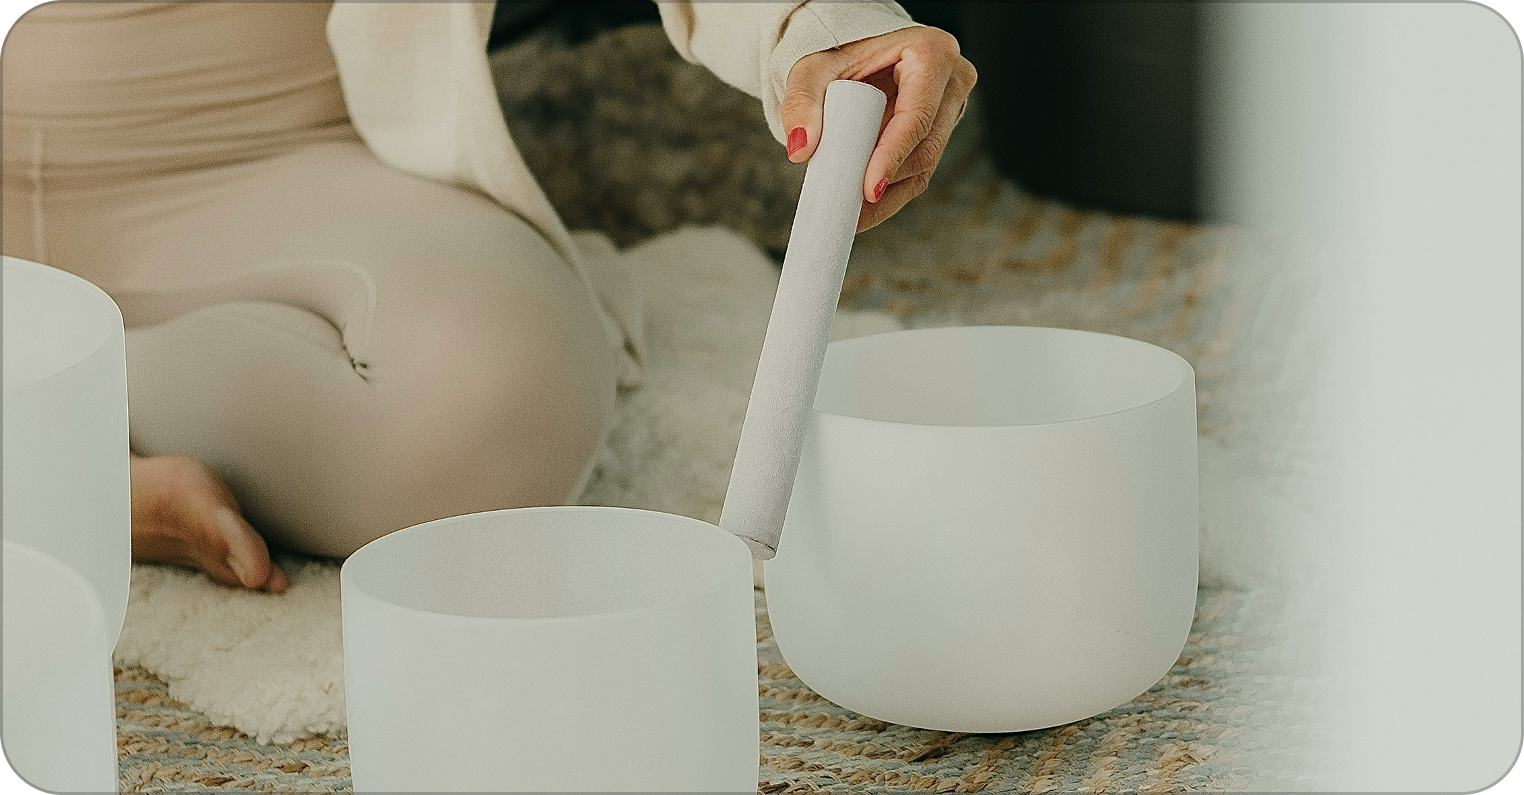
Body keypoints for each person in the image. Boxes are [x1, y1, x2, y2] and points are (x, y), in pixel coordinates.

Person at [1, 1, 975, 593]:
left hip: (283, 157)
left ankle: (49, 412)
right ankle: (57, 480)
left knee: (504, 399)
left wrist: (816, 31)